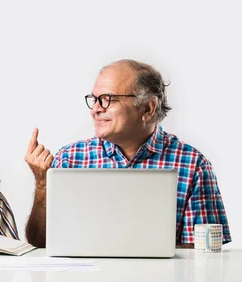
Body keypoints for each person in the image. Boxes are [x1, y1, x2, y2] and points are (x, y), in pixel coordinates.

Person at [24, 59, 231, 248]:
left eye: (107, 99)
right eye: (94, 99)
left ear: (148, 108)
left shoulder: (193, 165)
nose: (95, 109)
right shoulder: (70, 158)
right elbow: (40, 243)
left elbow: (203, 254)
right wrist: (42, 185)